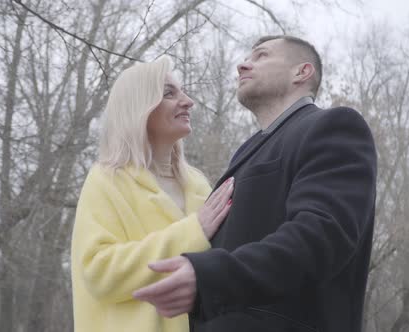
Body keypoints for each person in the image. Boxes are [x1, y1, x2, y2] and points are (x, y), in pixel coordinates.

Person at [133, 35, 378, 332]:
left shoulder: (334, 126)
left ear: (301, 72)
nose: (242, 65)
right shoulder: (247, 150)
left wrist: (211, 277)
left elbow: (321, 234)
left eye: (261, 56)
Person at [70, 56, 234, 332]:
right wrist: (193, 232)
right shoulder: (107, 179)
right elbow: (99, 271)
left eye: (182, 91)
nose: (188, 101)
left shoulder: (198, 185)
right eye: (169, 93)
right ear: (139, 107)